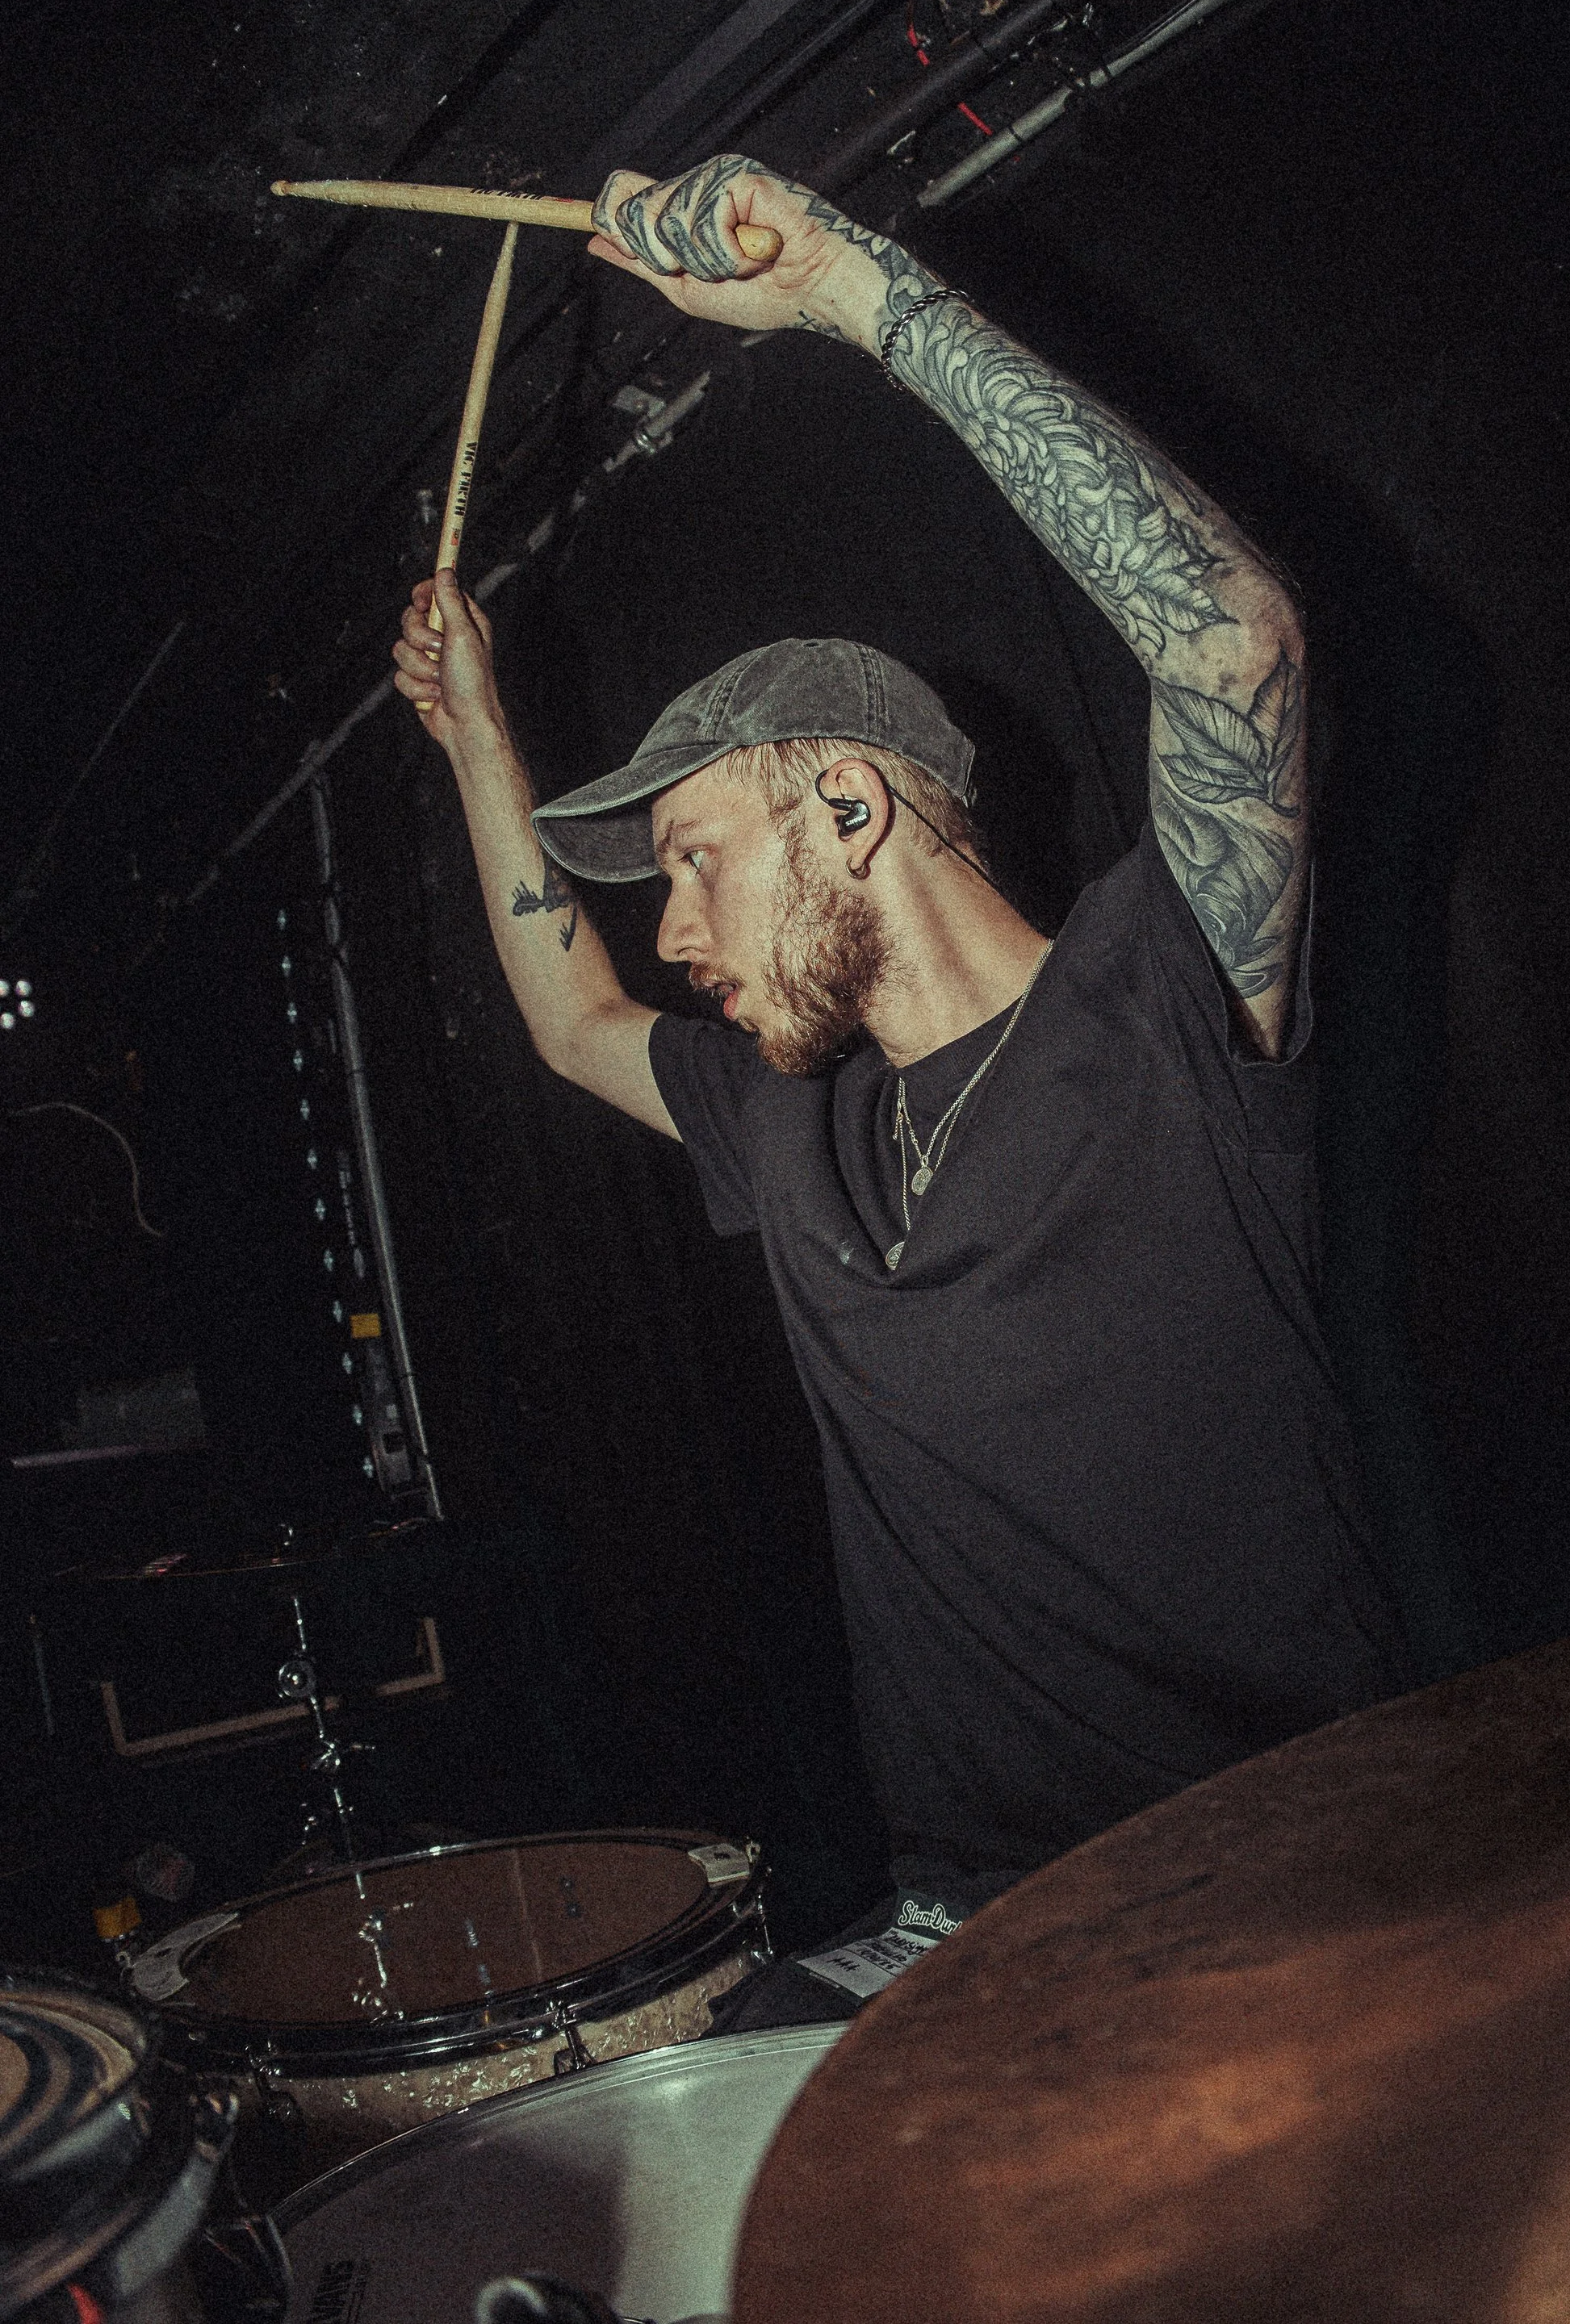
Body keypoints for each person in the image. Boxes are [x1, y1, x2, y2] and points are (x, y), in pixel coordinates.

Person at [392, 153, 1405, 1944]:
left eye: (697, 859)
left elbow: (1235, 643)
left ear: (847, 802)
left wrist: (854, 291)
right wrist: (478, 736)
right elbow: (567, 1017)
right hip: (960, 1926)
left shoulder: (1158, 999)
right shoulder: (790, 1121)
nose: (675, 927)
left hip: (1291, 1879)